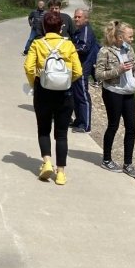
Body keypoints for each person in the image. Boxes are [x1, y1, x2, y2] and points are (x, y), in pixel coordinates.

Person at [24, 11, 82, 186]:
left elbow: (28, 67)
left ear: (43, 26)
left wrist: (36, 83)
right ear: (61, 27)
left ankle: (47, 162)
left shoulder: (37, 43)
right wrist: (65, 82)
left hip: (43, 91)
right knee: (62, 134)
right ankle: (61, 172)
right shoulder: (69, 45)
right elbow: (78, 71)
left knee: (43, 129)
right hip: (65, 93)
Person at [96, 21, 135, 179]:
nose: (132, 39)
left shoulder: (129, 50)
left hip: (129, 92)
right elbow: (99, 74)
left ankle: (128, 163)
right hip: (113, 92)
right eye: (130, 36)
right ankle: (106, 159)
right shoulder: (105, 51)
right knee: (113, 125)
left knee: (131, 127)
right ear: (120, 36)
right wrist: (118, 70)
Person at [71, 7, 100, 133]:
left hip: (83, 67)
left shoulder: (86, 30)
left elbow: (84, 47)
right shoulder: (80, 30)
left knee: (82, 95)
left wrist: (69, 48)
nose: (76, 19)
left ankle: (85, 125)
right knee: (76, 95)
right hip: (77, 66)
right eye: (75, 16)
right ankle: (79, 120)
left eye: (79, 17)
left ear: (86, 19)